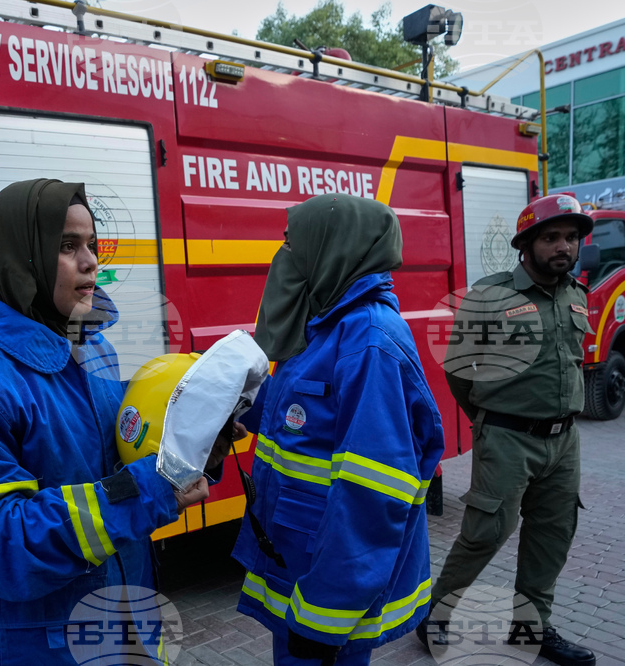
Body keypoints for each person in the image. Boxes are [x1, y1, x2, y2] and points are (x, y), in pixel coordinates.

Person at [0, 179, 208, 665]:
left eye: (91, 245)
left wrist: (197, 437)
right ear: (20, 258)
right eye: (67, 246)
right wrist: (146, 491)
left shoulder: (91, 349)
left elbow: (124, 454)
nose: (90, 262)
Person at [233, 194, 445, 666]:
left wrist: (326, 613)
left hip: (327, 592)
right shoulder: (327, 327)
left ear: (333, 248)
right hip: (302, 559)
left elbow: (371, 494)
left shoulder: (368, 341)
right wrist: (231, 399)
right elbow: (302, 420)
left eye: (293, 245)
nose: (284, 256)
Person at [422, 195, 596, 666]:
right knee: (483, 534)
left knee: (552, 535)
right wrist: (490, 419)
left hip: (565, 442)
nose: (564, 246)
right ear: (526, 244)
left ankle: (532, 630)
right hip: (507, 438)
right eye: (551, 237)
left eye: (572, 238)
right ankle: (434, 618)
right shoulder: (490, 297)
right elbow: (460, 372)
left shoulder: (577, 295)